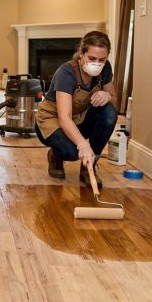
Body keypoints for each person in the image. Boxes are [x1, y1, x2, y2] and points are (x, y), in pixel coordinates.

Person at [34, 31, 117, 188]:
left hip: (80, 118)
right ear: (81, 53)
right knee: (71, 153)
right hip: (53, 120)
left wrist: (107, 95)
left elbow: (114, 100)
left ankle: (88, 167)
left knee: (109, 113)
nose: (97, 63)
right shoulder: (66, 73)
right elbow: (64, 118)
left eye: (102, 59)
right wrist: (82, 144)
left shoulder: (105, 69)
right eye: (92, 58)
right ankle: (55, 155)